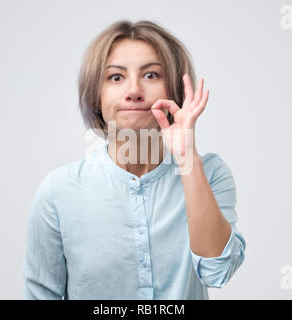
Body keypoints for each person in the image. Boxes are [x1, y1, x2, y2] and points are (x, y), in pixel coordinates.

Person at [23, 19, 246, 300]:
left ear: (174, 91)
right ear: (96, 96)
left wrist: (187, 157)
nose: (133, 91)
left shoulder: (209, 173)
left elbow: (219, 271)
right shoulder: (58, 191)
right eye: (116, 77)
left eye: (151, 75)